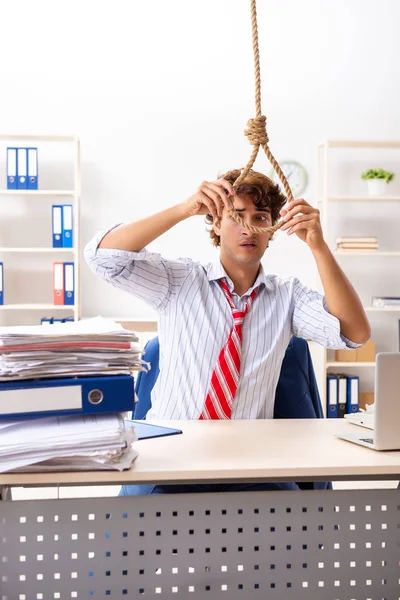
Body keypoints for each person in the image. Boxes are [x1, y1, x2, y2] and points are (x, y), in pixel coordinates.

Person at [84, 168, 370, 494]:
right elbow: (102, 258)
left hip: (248, 462)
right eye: (237, 215)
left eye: (261, 217)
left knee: (294, 516)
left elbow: (355, 333)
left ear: (272, 229)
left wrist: (318, 246)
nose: (249, 227)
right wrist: (185, 209)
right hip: (172, 454)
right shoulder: (179, 281)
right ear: (216, 224)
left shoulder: (287, 296)